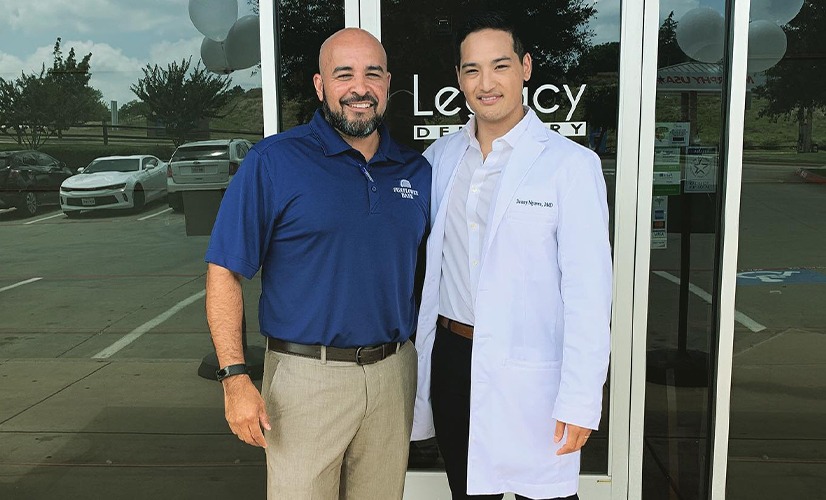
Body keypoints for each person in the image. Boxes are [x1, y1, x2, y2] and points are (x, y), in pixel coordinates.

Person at [205, 28, 430, 500]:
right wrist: (235, 377)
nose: (360, 88)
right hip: (305, 378)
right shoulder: (274, 162)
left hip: (393, 374)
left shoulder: (417, 171)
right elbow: (224, 270)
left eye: (372, 74)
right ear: (319, 85)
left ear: (388, 83)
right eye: (343, 74)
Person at [411, 11, 612, 500]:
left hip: (533, 366)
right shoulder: (440, 160)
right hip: (454, 359)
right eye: (472, 70)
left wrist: (581, 399)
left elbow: (590, 294)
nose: (486, 83)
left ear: (524, 67)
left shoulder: (569, 165)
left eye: (499, 66)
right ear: (459, 79)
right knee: (469, 491)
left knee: (545, 494)